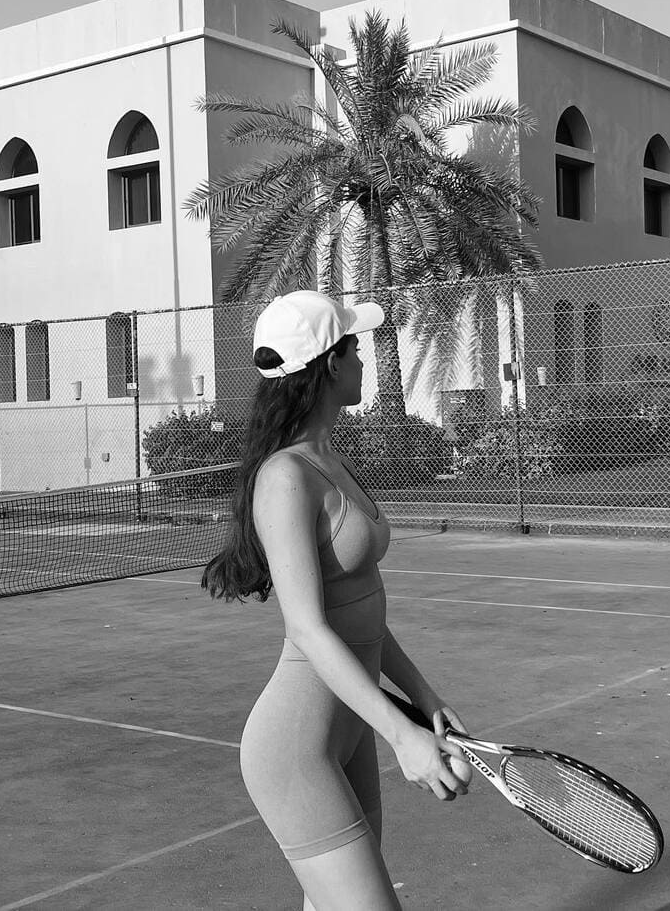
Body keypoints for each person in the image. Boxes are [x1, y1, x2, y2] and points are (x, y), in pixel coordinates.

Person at [203, 290, 470, 911]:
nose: (363, 360)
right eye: (355, 348)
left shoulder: (330, 462)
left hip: (348, 731)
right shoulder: (285, 477)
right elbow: (308, 629)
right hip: (297, 748)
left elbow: (360, 613)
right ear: (329, 364)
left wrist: (424, 699)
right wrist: (400, 736)